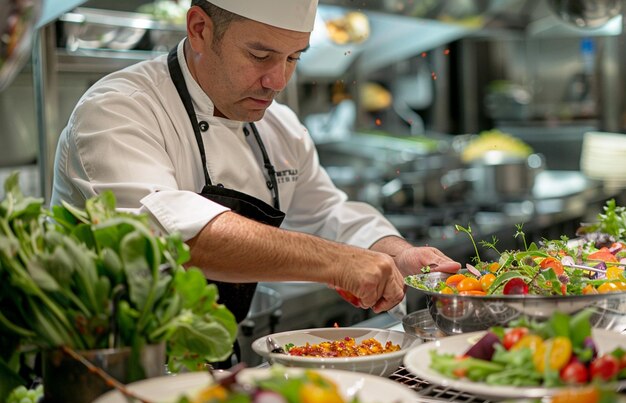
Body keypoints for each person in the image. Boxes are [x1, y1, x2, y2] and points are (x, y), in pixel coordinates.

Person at [51, 0, 461, 326]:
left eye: (293, 58)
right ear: (199, 29)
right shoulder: (119, 110)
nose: (278, 81)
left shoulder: (279, 126)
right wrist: (337, 262)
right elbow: (176, 236)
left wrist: (394, 252)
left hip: (215, 358)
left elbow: (327, 213)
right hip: (109, 365)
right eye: (261, 54)